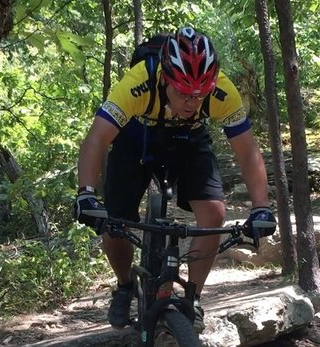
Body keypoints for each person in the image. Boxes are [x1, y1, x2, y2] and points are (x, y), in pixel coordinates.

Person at [74, 26, 276, 331]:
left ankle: (192, 298)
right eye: (183, 92)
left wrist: (261, 206)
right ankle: (125, 285)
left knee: (214, 213)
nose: (192, 102)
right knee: (116, 219)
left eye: (200, 94)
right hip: (136, 139)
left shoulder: (222, 90)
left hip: (189, 140)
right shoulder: (138, 82)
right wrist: (86, 194)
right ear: (166, 78)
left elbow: (247, 152)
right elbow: (96, 139)